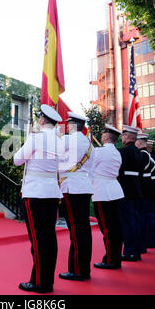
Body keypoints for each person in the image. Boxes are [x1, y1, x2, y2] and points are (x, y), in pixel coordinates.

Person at [14, 104, 63, 294]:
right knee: (49, 238)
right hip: (52, 192)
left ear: (42, 120)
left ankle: (40, 283)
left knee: (38, 241)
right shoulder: (60, 141)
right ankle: (46, 280)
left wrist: (30, 138)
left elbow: (17, 159)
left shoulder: (36, 138)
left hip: (35, 193)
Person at [57, 112, 94, 281]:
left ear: (72, 125)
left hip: (71, 187)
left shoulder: (66, 140)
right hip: (85, 186)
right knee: (83, 229)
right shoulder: (88, 142)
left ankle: (78, 270)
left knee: (76, 230)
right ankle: (83, 268)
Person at [91, 124, 125, 270]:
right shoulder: (117, 153)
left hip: (102, 191)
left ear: (105, 137)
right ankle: (114, 258)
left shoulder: (100, 151)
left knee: (107, 229)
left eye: (103, 133)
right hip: (115, 190)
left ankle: (111, 260)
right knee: (115, 228)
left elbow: (90, 167)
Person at [117, 125, 144, 262]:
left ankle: (129, 251)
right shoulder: (139, 152)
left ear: (127, 137)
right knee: (135, 220)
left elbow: (118, 171)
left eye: (123, 135)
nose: (122, 137)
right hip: (136, 188)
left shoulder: (124, 152)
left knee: (128, 222)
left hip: (126, 188)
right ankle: (136, 250)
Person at [135, 133, 155, 252]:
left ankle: (145, 243)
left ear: (139, 142)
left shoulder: (142, 155)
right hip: (149, 188)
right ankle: (150, 241)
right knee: (149, 216)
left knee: (145, 217)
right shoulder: (148, 155)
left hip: (145, 190)